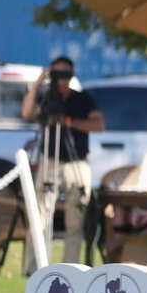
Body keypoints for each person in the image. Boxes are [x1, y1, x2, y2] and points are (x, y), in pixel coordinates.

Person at [21, 55, 105, 271]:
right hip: (50, 161)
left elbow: (99, 124)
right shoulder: (47, 99)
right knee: (41, 214)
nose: (62, 79)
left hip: (76, 162)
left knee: (75, 217)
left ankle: (71, 268)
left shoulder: (82, 99)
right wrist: (38, 83)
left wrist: (69, 122)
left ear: (72, 74)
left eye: (66, 74)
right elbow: (27, 113)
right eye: (57, 74)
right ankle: (35, 267)